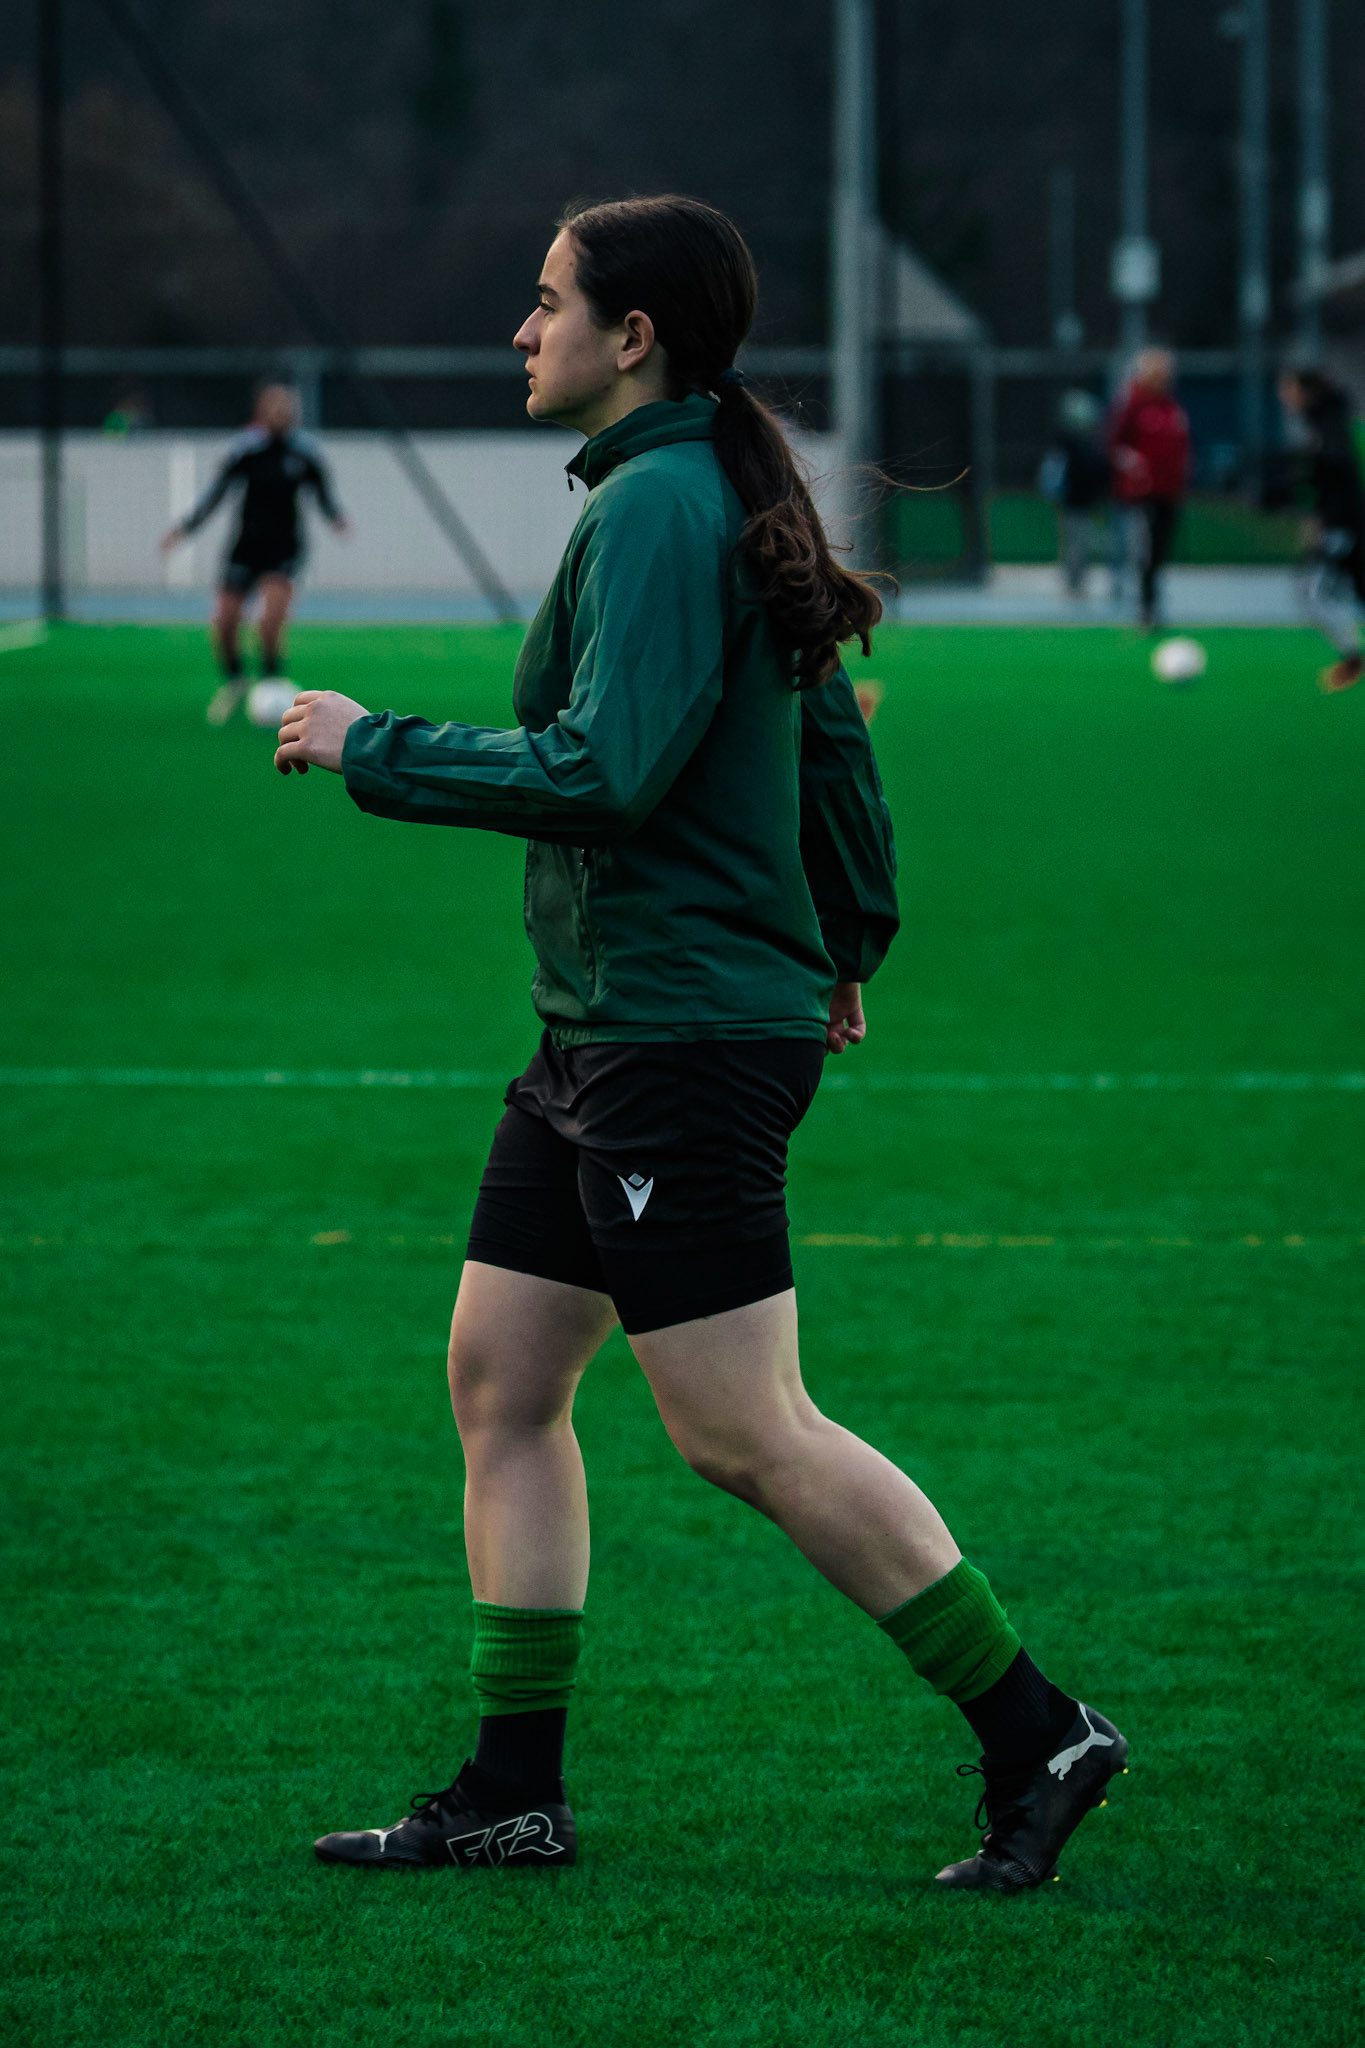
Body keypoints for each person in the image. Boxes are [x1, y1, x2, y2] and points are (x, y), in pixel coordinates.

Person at [276, 196, 1128, 1892]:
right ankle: (513, 1791)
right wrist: (847, 934)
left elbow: (610, 771)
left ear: (634, 335)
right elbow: (828, 740)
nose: (523, 331)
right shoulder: (701, 485)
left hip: (672, 1036)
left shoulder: (663, 505)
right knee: (502, 1374)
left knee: (746, 1430)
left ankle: (1040, 1730)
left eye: (546, 302)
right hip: (610, 1026)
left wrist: (377, 745)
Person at [160, 383, 348, 725]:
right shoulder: (246, 451)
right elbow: (216, 494)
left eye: (286, 408)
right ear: (262, 412)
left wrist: (336, 518)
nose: (280, 414)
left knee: (269, 622)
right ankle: (235, 680)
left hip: (284, 548)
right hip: (245, 546)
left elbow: (322, 493)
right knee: (224, 621)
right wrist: (185, 529)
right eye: (274, 408)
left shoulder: (304, 453)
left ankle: (271, 688)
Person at [1278, 366, 1365, 693]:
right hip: (1344, 523)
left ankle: (1352, 659)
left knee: (1310, 592)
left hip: (1342, 525)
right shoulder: (1326, 420)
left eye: (1288, 389)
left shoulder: (1329, 425)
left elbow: (1336, 469)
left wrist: (1325, 520)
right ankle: (1352, 659)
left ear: (1305, 392)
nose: (1284, 397)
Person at [1108, 349, 1191, 629]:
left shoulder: (1172, 406)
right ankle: (1144, 606)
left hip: (1169, 491)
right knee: (1143, 548)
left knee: (1160, 549)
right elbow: (1115, 444)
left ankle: (1153, 602)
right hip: (1141, 494)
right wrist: (1135, 467)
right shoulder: (1132, 404)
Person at [1038, 389, 1112, 599]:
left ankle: (1077, 581)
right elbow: (1059, 473)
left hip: (1083, 501)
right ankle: (1073, 583)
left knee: (1080, 543)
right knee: (1075, 543)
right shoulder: (1068, 445)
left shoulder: (1088, 444)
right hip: (1073, 501)